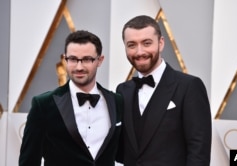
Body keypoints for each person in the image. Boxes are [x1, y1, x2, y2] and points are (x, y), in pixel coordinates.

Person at [116, 15, 211, 166]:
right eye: (132, 45)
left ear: (161, 43)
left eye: (147, 43)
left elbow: (199, 150)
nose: (139, 52)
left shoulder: (189, 86)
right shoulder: (122, 90)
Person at [19, 30, 123, 166]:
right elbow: (29, 161)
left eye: (87, 59)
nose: (79, 67)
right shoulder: (43, 105)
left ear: (99, 60)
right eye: (73, 59)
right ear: (65, 59)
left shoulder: (117, 102)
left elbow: (124, 153)